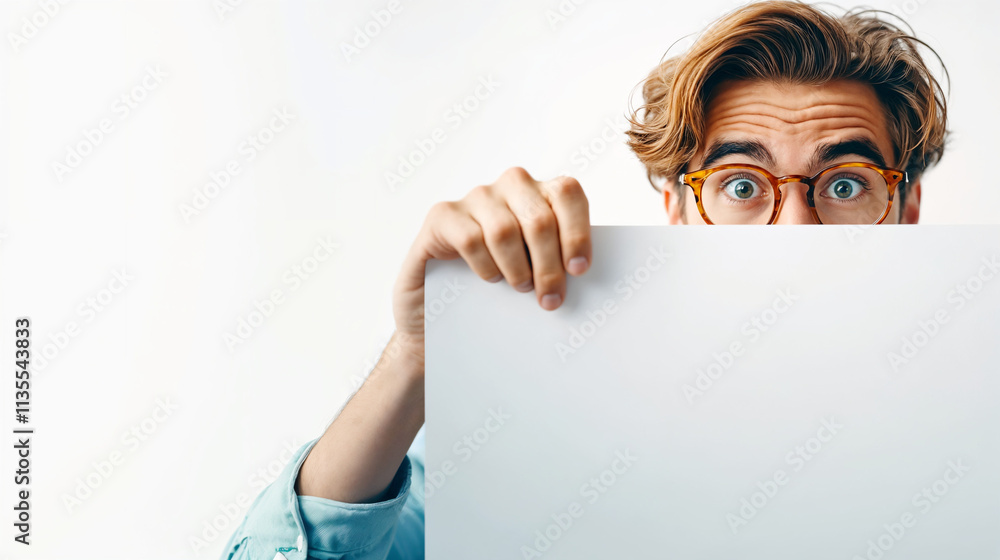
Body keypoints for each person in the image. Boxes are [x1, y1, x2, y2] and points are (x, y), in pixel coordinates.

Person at [219, 1, 948, 558]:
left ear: (905, 209)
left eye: (846, 185)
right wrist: (416, 355)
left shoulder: (966, 423)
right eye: (741, 185)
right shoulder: (539, 424)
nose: (794, 231)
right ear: (678, 211)